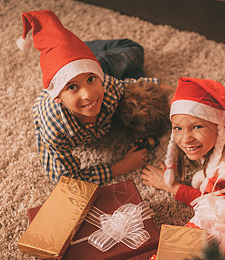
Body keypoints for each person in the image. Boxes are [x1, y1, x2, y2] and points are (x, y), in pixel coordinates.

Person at [17, 10, 165, 184]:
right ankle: (79, 51)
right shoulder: (54, 129)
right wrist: (123, 166)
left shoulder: (106, 87)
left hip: (99, 67)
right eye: (72, 87)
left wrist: (174, 92)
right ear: (57, 96)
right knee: (131, 55)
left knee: (136, 53)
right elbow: (68, 181)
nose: (88, 94)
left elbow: (131, 85)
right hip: (90, 70)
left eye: (91, 79)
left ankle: (80, 52)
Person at [141, 77, 225, 244]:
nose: (186, 139)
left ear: (219, 126)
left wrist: (170, 187)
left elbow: (215, 204)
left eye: (197, 127)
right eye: (178, 128)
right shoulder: (223, 134)